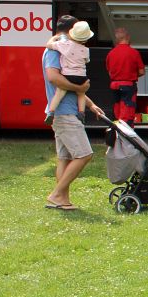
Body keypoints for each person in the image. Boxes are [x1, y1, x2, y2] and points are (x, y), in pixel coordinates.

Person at [43, 15, 105, 211]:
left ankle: (62, 200)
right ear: (71, 31)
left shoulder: (64, 48)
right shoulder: (56, 50)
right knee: (84, 155)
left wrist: (90, 104)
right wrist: (80, 90)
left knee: (65, 157)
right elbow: (54, 78)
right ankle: (56, 194)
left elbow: (72, 82)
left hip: (63, 112)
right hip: (65, 113)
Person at [44, 21, 93, 124]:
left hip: (68, 75)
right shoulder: (86, 50)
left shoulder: (64, 45)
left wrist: (54, 38)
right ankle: (81, 113)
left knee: (59, 93)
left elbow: (48, 45)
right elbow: (86, 60)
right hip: (81, 77)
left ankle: (51, 112)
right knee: (81, 94)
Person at [106, 26, 145, 122]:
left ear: (117, 39)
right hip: (128, 85)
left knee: (116, 110)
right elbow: (141, 71)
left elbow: (109, 72)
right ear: (128, 37)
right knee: (127, 111)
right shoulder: (134, 53)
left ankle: (116, 128)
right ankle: (126, 129)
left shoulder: (111, 53)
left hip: (114, 85)